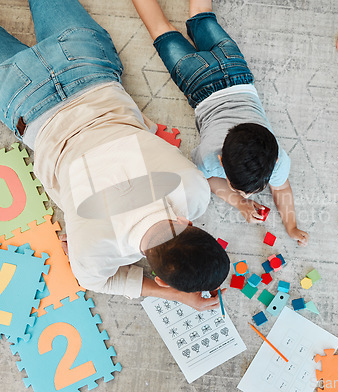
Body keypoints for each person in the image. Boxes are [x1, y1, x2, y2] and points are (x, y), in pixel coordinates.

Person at [0, 0, 229, 310]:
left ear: (190, 222)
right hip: (21, 99)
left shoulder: (195, 190)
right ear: (159, 278)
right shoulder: (94, 254)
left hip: (85, 64)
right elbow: (98, 282)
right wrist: (173, 294)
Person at [131, 0, 310, 246]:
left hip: (234, 68)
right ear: (220, 161)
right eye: (240, 189)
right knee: (161, 30)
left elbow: (280, 190)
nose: (245, 195)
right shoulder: (207, 157)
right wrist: (240, 203)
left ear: (276, 157)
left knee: (203, 16)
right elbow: (208, 180)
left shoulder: (278, 159)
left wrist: (291, 225)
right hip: (197, 81)